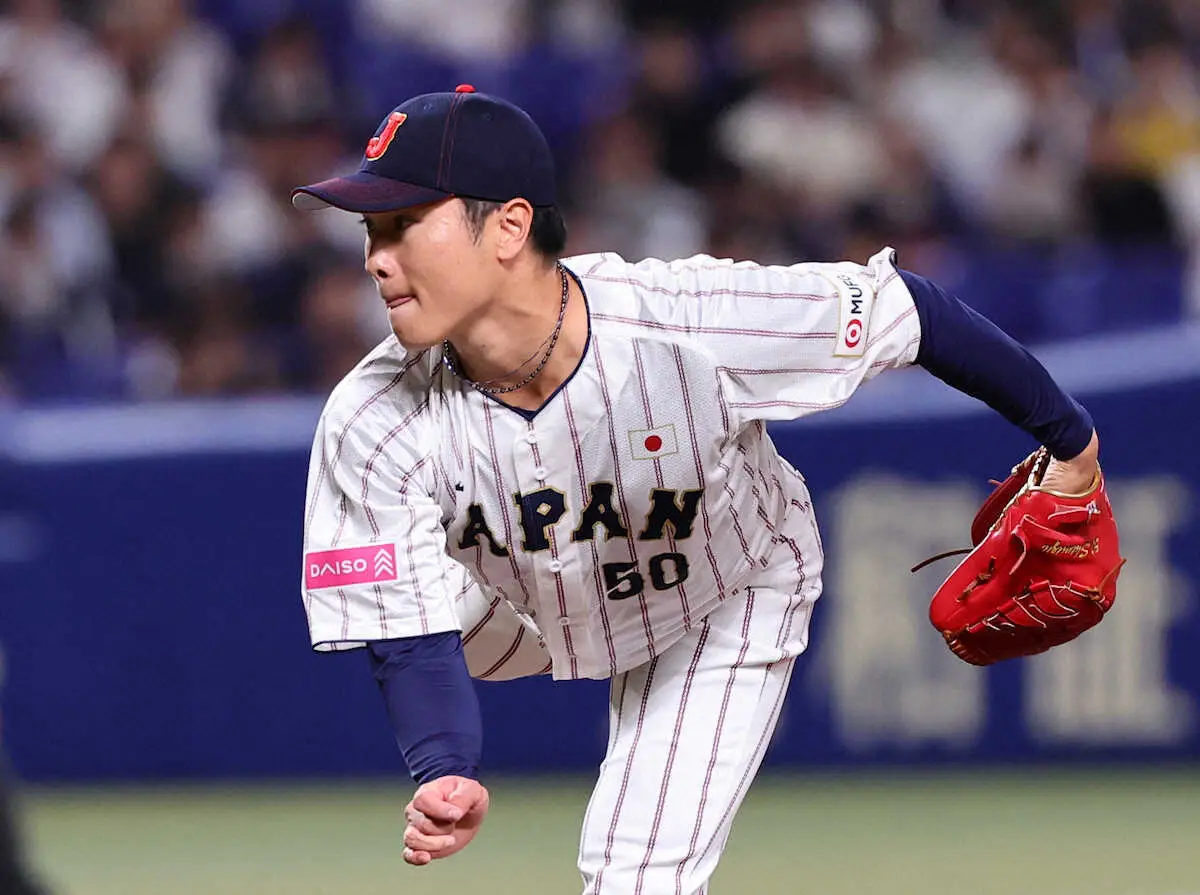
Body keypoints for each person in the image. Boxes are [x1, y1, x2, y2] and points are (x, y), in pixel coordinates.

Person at [292, 85, 1100, 893]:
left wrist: (1075, 444)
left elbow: (908, 310)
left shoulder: (683, 321)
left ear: (508, 226)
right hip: (516, 610)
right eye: (371, 230)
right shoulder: (370, 417)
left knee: (637, 874)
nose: (375, 257)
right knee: (406, 580)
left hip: (724, 589)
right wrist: (444, 764)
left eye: (403, 224)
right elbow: (404, 628)